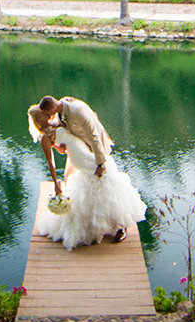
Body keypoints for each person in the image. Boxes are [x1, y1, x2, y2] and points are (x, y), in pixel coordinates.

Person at [27, 95, 145, 249]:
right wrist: (56, 183)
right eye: (45, 115)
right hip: (78, 157)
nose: (49, 117)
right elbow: (52, 160)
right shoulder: (46, 135)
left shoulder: (66, 114)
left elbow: (91, 132)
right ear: (40, 118)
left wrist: (100, 161)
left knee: (106, 179)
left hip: (87, 149)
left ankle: (120, 225)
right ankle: (98, 226)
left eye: (47, 114)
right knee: (95, 185)